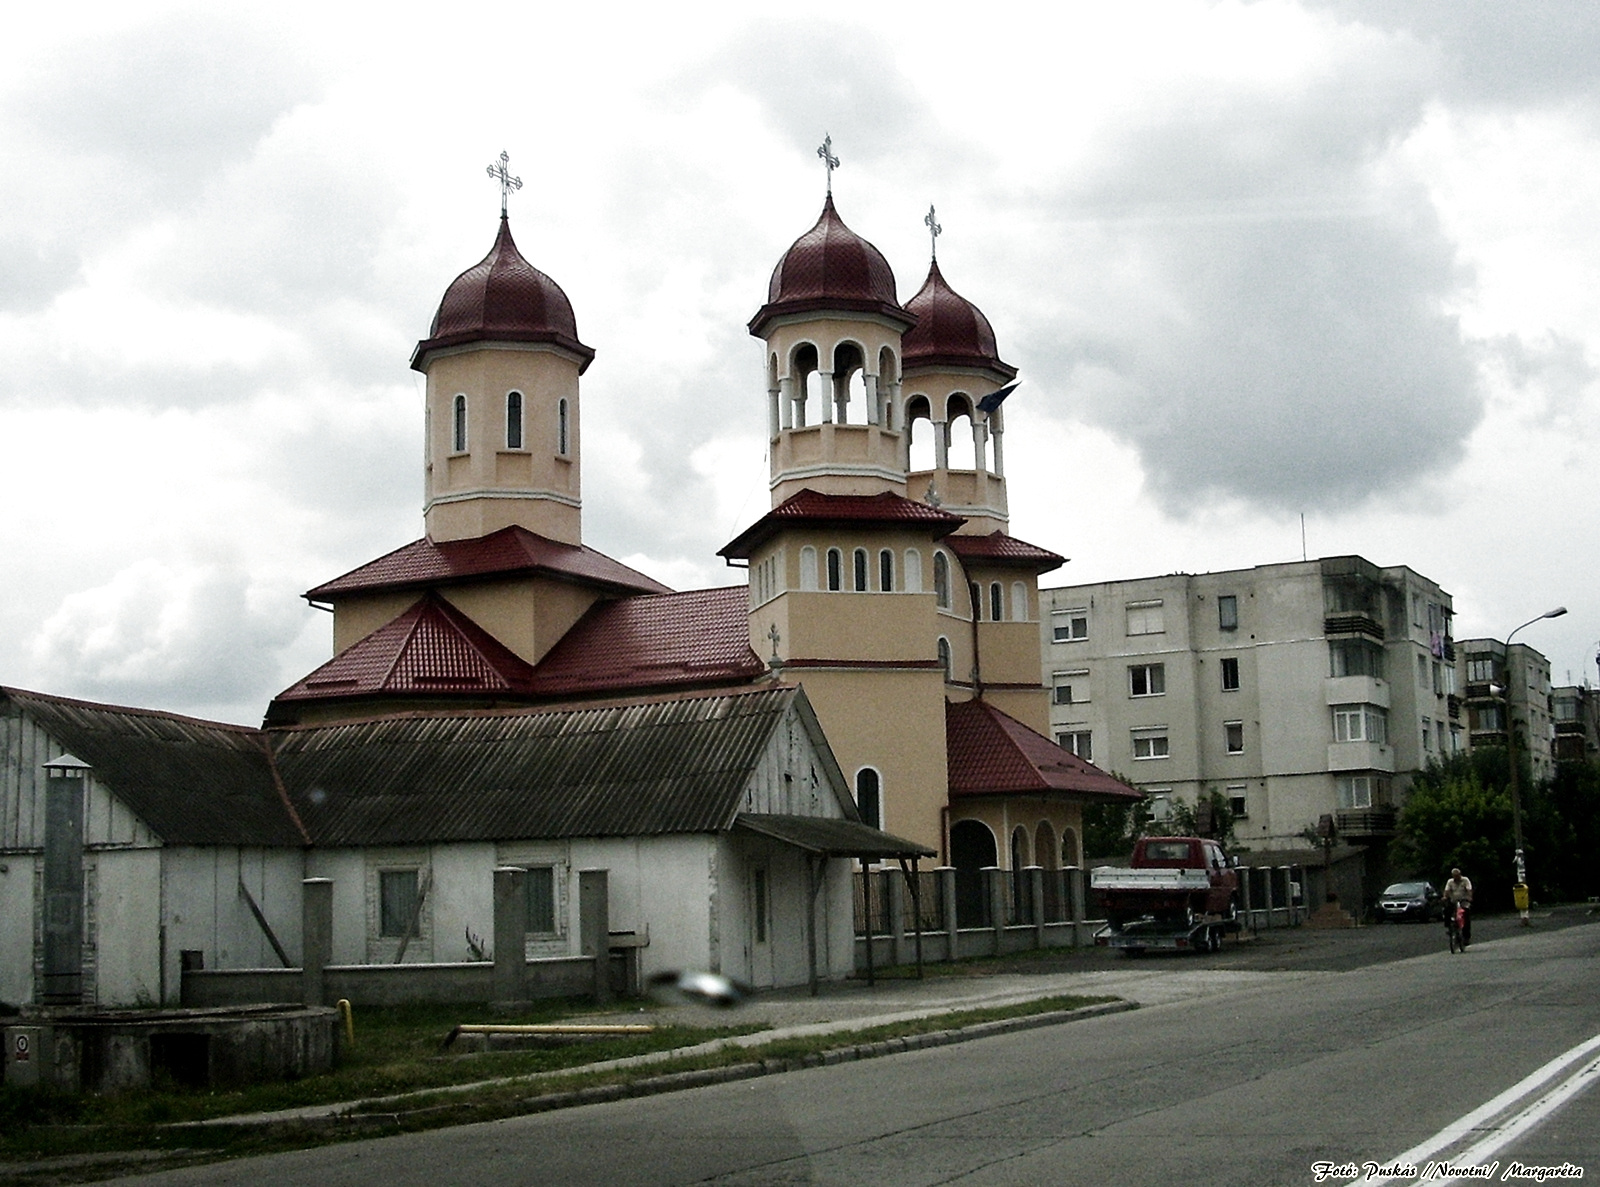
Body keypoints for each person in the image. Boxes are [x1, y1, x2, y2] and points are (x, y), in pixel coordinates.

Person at [1442, 867, 1473, 947]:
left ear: (1460, 874)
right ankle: (1449, 926)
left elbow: (1469, 889)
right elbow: (1447, 891)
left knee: (1466, 914)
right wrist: (1445, 897)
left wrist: (1469, 897)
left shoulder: (1465, 880)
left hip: (1464, 900)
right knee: (1446, 910)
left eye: (1457, 875)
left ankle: (1466, 936)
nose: (1456, 877)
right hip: (1453, 901)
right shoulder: (1450, 881)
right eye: (1454, 876)